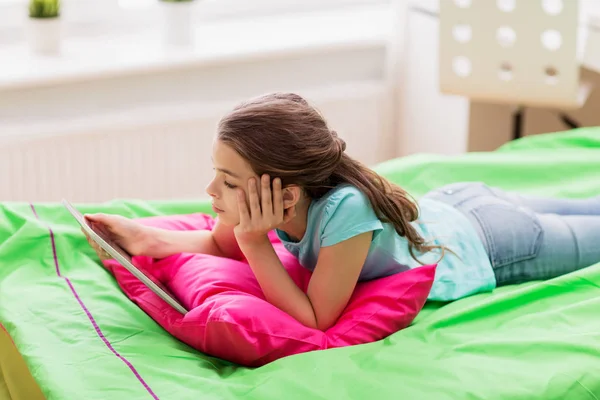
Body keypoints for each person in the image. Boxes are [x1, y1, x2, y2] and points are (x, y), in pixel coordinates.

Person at [84, 92, 600, 331]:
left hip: (497, 243)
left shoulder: (345, 212)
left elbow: (317, 318)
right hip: (457, 203)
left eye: (228, 181)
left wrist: (255, 245)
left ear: (284, 193)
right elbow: (222, 242)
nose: (210, 190)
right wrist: (147, 239)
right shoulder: (281, 198)